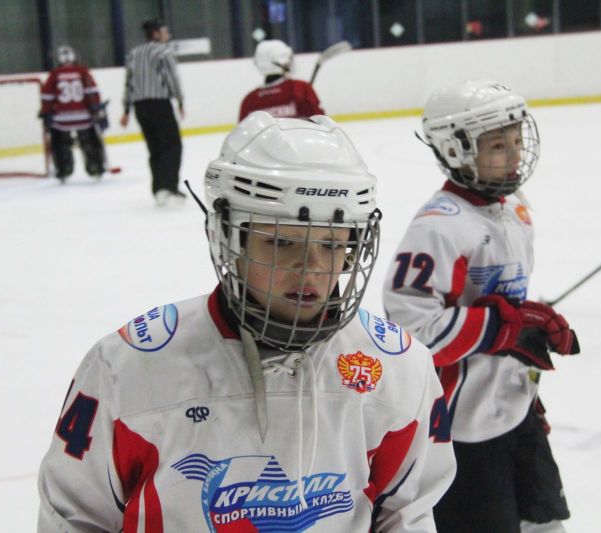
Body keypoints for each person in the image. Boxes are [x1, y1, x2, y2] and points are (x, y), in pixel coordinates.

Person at [37, 111, 456, 532]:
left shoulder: (398, 370)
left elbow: (406, 514)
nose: (311, 267)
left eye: (332, 245)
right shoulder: (130, 368)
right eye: (281, 241)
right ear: (228, 237)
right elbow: (73, 517)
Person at [382, 81, 581, 532]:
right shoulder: (438, 228)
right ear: (456, 151)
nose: (515, 154)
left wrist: (529, 324)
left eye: (516, 141)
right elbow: (410, 331)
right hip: (461, 428)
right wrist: (504, 328)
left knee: (545, 523)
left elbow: (504, 305)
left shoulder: (513, 209)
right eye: (497, 145)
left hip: (515, 409)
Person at [120, 18, 185, 207]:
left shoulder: (133, 53)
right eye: (164, 32)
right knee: (172, 146)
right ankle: (168, 187)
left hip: (140, 107)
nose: (167, 35)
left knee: (155, 148)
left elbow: (129, 82)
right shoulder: (163, 52)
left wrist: (126, 109)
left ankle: (158, 188)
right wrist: (180, 100)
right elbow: (172, 78)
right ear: (156, 33)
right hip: (159, 104)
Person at [39, 44, 107, 181]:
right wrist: (96, 108)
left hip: (61, 119)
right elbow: (92, 92)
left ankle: (63, 169)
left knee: (60, 143)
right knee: (89, 141)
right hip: (84, 117)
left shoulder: (54, 74)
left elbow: (47, 96)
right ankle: (95, 166)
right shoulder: (82, 71)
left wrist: (46, 113)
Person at [238, 40, 324, 122]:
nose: (289, 63)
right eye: (287, 59)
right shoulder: (300, 88)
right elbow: (322, 123)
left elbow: (243, 131)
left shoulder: (249, 100)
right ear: (278, 62)